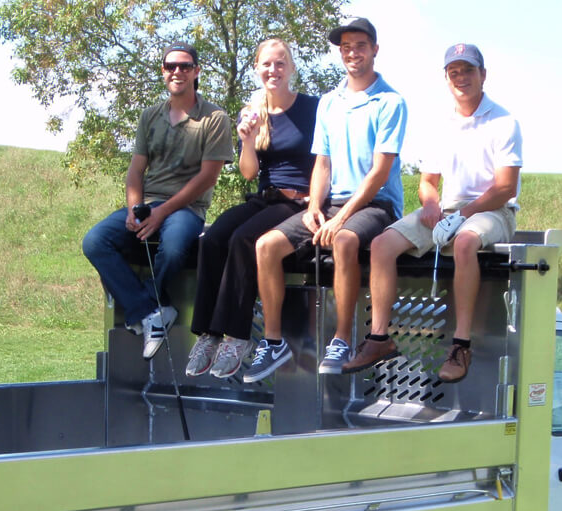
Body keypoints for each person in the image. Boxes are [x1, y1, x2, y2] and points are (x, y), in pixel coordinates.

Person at [342, 43, 522, 384]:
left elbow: (506, 188)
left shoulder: (504, 122)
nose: (461, 78)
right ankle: (379, 338)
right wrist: (430, 205)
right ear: (446, 78)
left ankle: (461, 345)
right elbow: (427, 182)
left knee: (467, 241)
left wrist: (463, 214)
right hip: (448, 210)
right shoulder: (442, 124)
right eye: (454, 72)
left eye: (468, 70)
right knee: (382, 245)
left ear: (483, 75)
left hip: (493, 211)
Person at [242, 18, 407, 383]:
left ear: (374, 50)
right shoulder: (330, 103)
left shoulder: (391, 102)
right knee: (267, 246)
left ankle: (341, 340)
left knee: (345, 240)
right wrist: (315, 207)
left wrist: (340, 217)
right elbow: (323, 163)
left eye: (360, 45)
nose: (352, 52)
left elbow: (380, 172)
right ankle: (273, 342)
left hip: (376, 204)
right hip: (331, 204)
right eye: (346, 46)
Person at [81, 43, 235, 360]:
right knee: (95, 241)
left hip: (186, 208)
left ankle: (147, 307)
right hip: (149, 202)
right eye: (170, 66)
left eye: (185, 66)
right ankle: (152, 311)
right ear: (163, 71)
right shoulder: (149, 116)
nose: (177, 72)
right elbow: (136, 170)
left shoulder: (215, 118)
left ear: (196, 71)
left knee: (176, 246)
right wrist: (134, 209)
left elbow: (207, 177)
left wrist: (163, 211)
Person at [185, 39, 319, 380]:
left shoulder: (313, 108)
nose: (273, 70)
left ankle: (237, 336)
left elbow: (324, 163)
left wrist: (316, 203)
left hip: (298, 200)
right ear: (256, 68)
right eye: (266, 64)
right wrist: (247, 140)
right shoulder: (253, 111)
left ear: (290, 67)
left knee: (244, 239)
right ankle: (209, 333)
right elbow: (248, 172)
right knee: (213, 237)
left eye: (280, 63)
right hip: (267, 196)